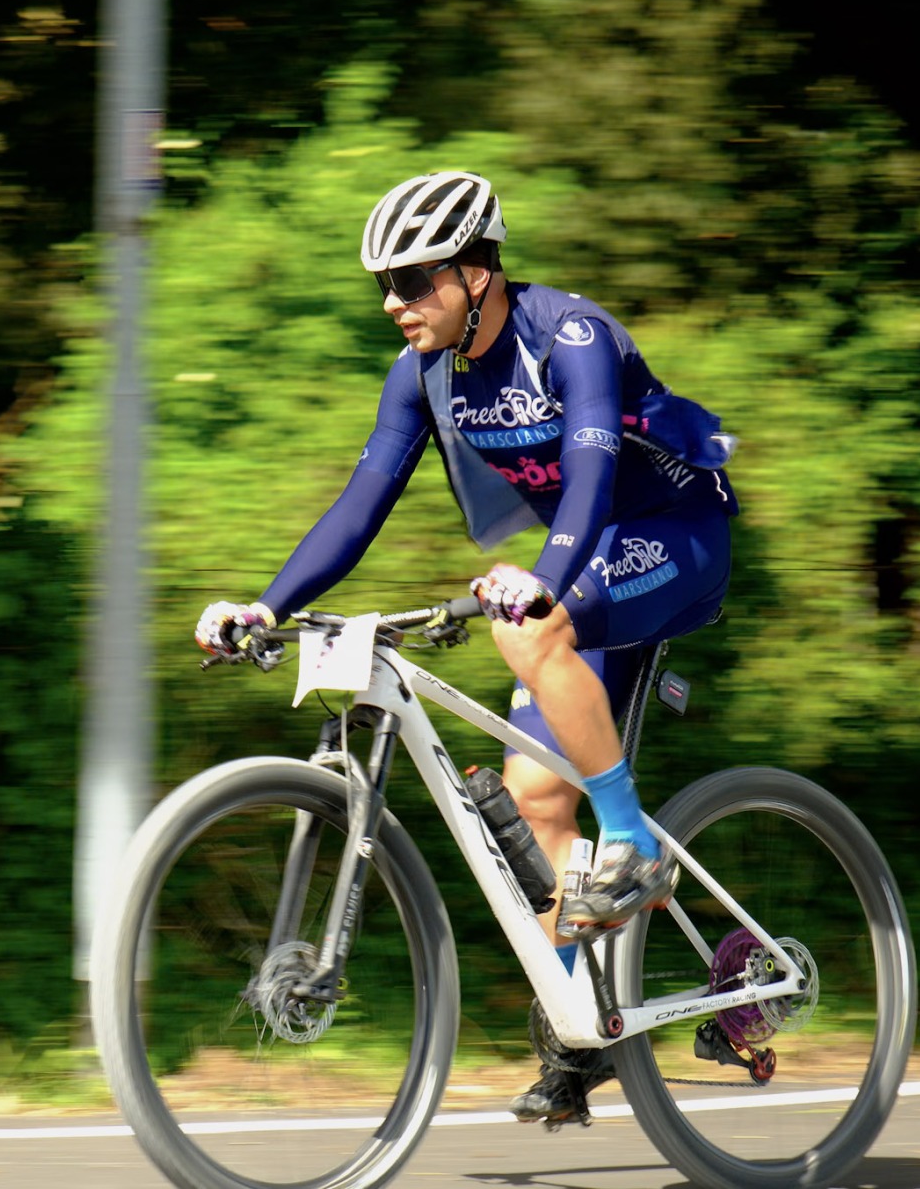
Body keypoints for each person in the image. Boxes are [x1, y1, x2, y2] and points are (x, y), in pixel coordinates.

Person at [194, 171, 738, 1125]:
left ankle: (633, 843)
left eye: (414, 282)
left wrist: (544, 582)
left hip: (674, 534)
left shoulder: (570, 338)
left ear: (476, 274)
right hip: (586, 556)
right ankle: (586, 1027)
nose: (395, 303)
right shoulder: (424, 374)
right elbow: (360, 508)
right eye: (385, 286)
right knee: (533, 803)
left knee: (528, 625)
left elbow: (591, 479)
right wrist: (267, 607)